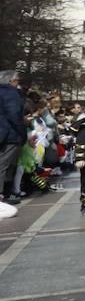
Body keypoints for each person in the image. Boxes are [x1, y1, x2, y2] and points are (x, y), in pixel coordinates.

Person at [0, 70, 25, 206]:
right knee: (5, 165)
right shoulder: (11, 93)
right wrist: (22, 132)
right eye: (17, 81)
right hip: (9, 135)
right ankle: (3, 194)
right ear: (10, 81)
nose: (18, 84)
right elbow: (14, 115)